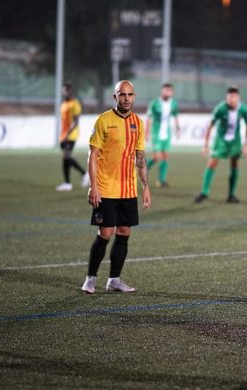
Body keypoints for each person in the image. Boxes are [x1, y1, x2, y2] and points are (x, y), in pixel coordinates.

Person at [81, 80, 152, 294]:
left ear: (134, 96)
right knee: (105, 233)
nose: (127, 98)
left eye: (130, 95)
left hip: (128, 189)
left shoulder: (138, 123)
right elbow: (92, 155)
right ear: (115, 97)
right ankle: (91, 279)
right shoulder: (104, 120)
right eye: (122, 95)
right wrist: (94, 186)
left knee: (124, 231)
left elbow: (140, 158)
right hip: (105, 187)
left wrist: (145, 186)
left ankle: (114, 280)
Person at [194, 86, 247, 204]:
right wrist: (206, 144)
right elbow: (210, 125)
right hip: (220, 141)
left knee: (234, 164)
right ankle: (204, 193)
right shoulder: (220, 108)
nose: (231, 100)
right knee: (212, 163)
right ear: (226, 98)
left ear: (238, 98)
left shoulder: (243, 109)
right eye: (229, 98)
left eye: (234, 97)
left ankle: (231, 195)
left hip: (235, 141)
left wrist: (245, 145)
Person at [146, 83, 181, 188]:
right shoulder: (155, 103)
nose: (167, 92)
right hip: (156, 134)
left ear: (172, 92)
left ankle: (161, 180)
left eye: (169, 90)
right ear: (162, 91)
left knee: (165, 157)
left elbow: (175, 116)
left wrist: (178, 129)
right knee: (156, 157)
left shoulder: (173, 103)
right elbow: (149, 118)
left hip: (167, 134)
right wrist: (146, 132)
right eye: (165, 90)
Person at [56, 83, 90, 191]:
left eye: (65, 90)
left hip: (71, 135)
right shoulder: (63, 104)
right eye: (63, 91)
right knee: (65, 159)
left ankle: (85, 173)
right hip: (63, 134)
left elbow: (76, 122)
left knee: (66, 157)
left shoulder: (75, 103)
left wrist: (68, 134)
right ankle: (67, 183)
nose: (64, 92)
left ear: (70, 91)